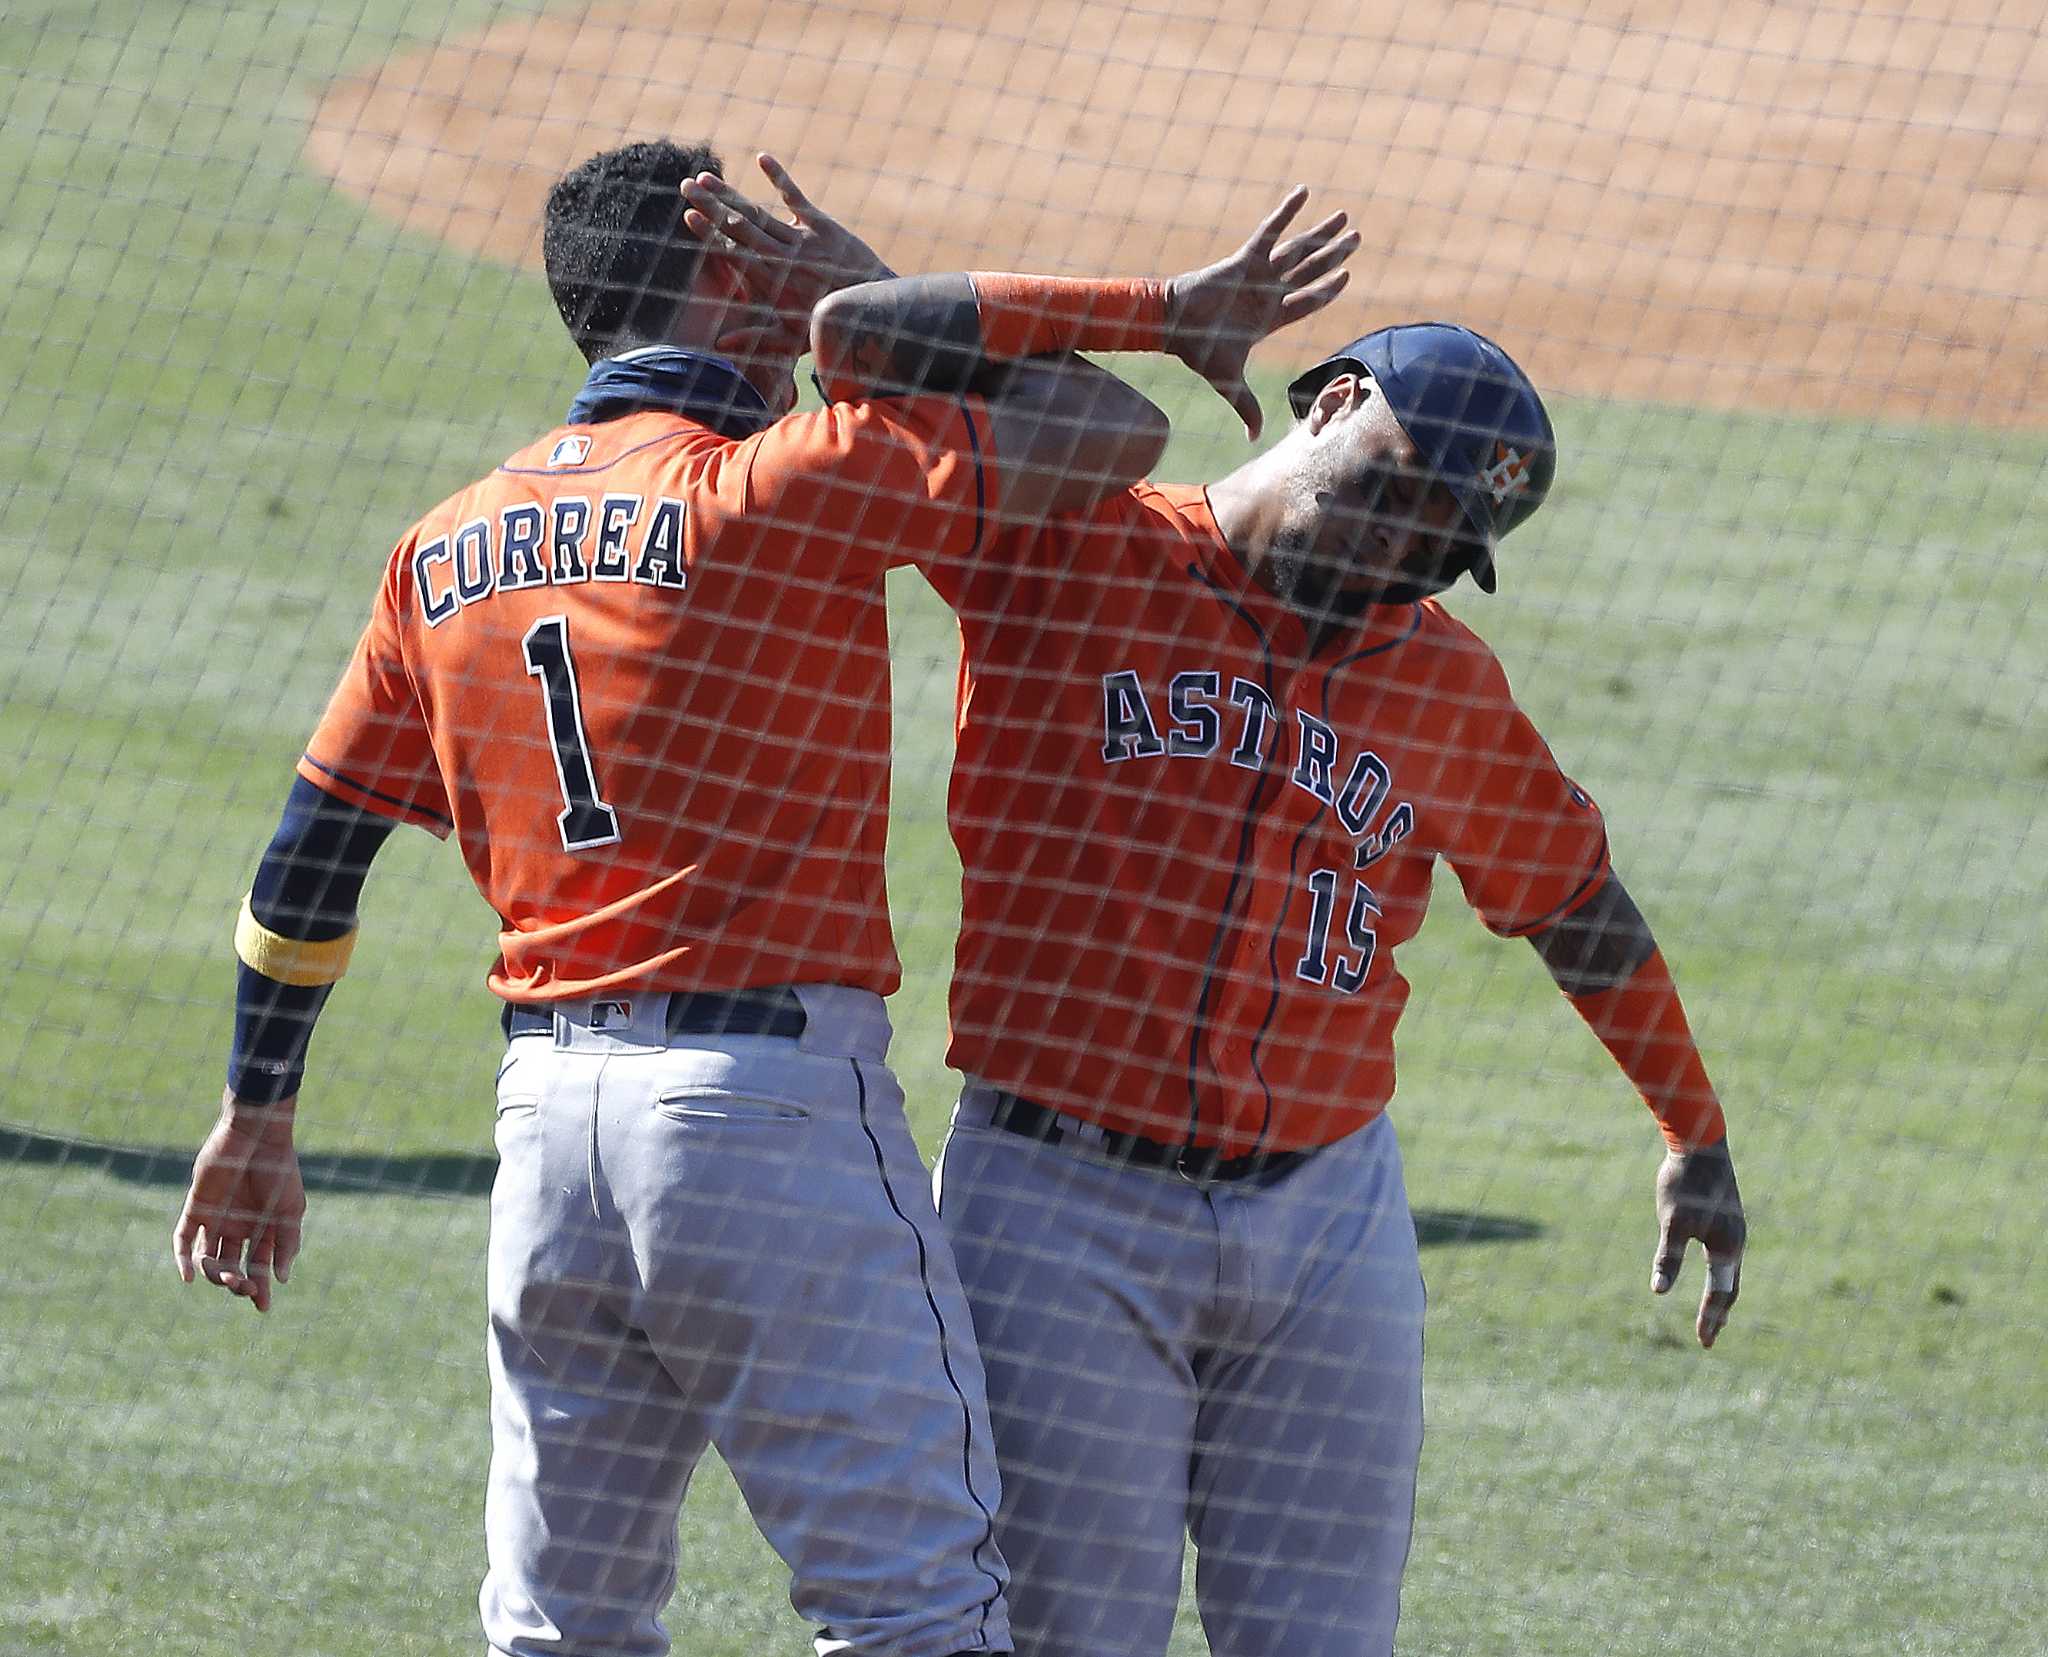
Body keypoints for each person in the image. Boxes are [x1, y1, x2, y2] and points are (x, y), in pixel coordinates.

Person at [169, 138, 1357, 1657]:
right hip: (766, 1124)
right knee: (918, 1609)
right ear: (733, 280)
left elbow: (309, 855)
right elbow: (1105, 428)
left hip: (543, 1145)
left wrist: (257, 1115)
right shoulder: (780, 482)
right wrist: (865, 298)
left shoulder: (443, 552)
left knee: (558, 1627)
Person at [748, 245, 1748, 1656]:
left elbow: (1577, 904)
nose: (1399, 552)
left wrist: (1692, 1128)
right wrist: (1142, 315)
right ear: (1332, 400)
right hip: (1058, 1208)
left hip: (1329, 1219)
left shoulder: (1446, 679)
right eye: (1398, 494)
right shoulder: (1072, 539)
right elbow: (860, 351)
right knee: (1065, 1638)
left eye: (1440, 541)